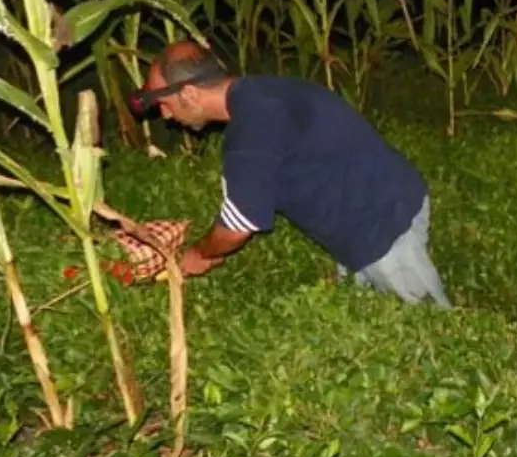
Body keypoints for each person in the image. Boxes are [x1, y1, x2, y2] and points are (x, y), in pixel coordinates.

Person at [138, 40, 451, 308]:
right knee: (367, 315)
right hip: (380, 202)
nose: (164, 115)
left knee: (430, 324)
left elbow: (238, 227)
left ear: (190, 94)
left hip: (384, 229)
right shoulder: (262, 92)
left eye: (164, 104)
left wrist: (198, 255)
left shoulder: (251, 132)